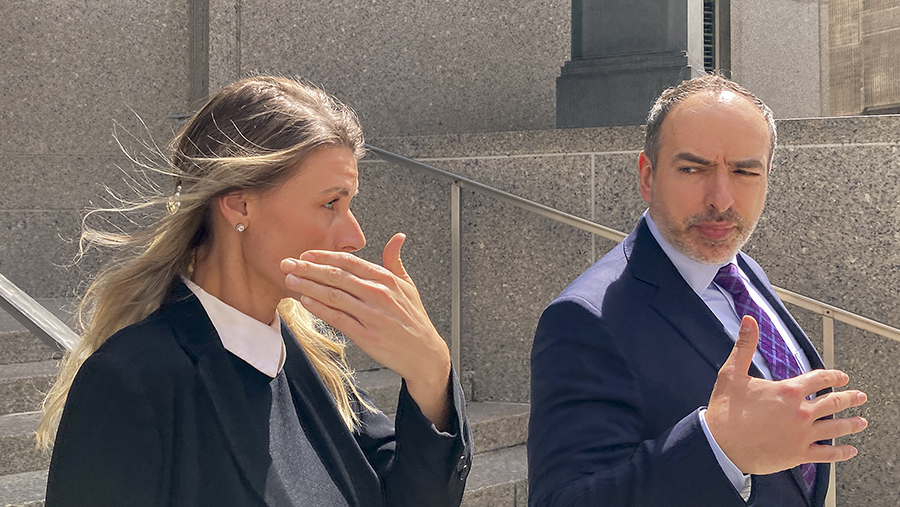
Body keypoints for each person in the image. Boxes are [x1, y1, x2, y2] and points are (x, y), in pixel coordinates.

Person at [37, 76, 472, 507]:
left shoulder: (313, 364)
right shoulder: (133, 379)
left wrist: (430, 371)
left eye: (349, 204)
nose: (355, 237)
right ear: (239, 205)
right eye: (330, 203)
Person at [527, 75, 868, 507]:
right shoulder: (584, 319)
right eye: (693, 169)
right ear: (648, 176)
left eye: (745, 171)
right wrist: (717, 450)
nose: (721, 199)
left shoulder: (742, 270)